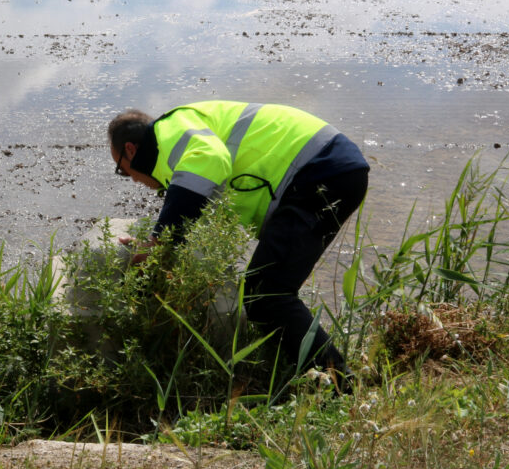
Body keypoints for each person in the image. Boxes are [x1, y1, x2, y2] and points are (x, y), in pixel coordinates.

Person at [107, 100, 369, 388]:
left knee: (268, 293)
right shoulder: (176, 154)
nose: (131, 180)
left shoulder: (170, 132)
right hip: (326, 169)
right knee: (265, 291)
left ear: (131, 151)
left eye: (122, 170)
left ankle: (342, 387)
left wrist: (157, 243)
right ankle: (308, 381)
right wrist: (160, 252)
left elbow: (209, 158)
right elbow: (199, 214)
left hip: (320, 169)